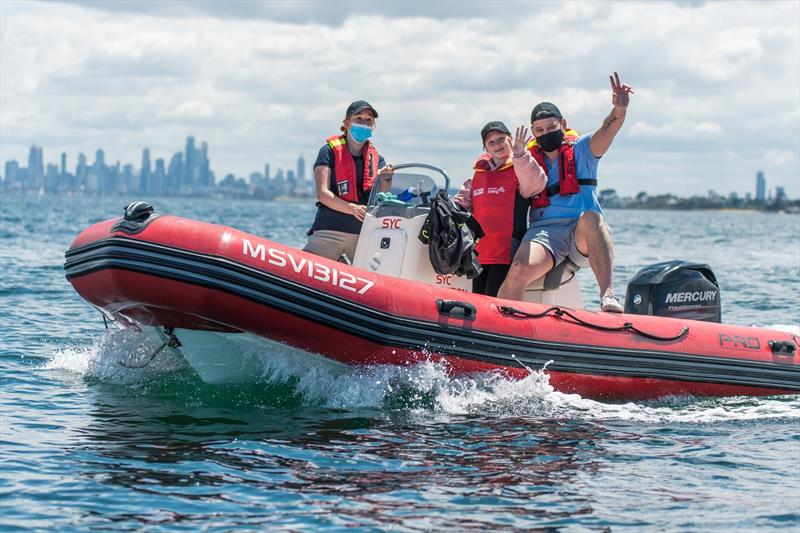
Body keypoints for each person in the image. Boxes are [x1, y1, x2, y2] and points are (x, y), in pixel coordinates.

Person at [497, 72, 633, 312]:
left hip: (580, 232)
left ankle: (608, 295)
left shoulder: (583, 149)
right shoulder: (529, 161)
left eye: (552, 126)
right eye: (539, 129)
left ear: (564, 124)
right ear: (533, 132)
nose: (546, 132)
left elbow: (607, 130)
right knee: (518, 270)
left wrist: (619, 110)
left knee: (592, 217)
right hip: (544, 233)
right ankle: (502, 326)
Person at [454, 121, 547, 296]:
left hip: (507, 251)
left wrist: (520, 153)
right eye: (491, 142)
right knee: (479, 297)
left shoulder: (520, 168)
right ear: (486, 149)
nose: (497, 145)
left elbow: (537, 184)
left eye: (501, 139)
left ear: (510, 140)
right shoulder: (478, 174)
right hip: (482, 251)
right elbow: (460, 203)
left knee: (492, 297)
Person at [304, 100, 393, 262]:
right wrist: (352, 208)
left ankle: (342, 267)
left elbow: (381, 198)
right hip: (329, 231)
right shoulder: (328, 151)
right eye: (359, 118)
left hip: (364, 235)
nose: (364, 123)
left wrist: (387, 179)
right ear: (347, 123)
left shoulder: (377, 159)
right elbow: (323, 194)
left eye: (369, 121)